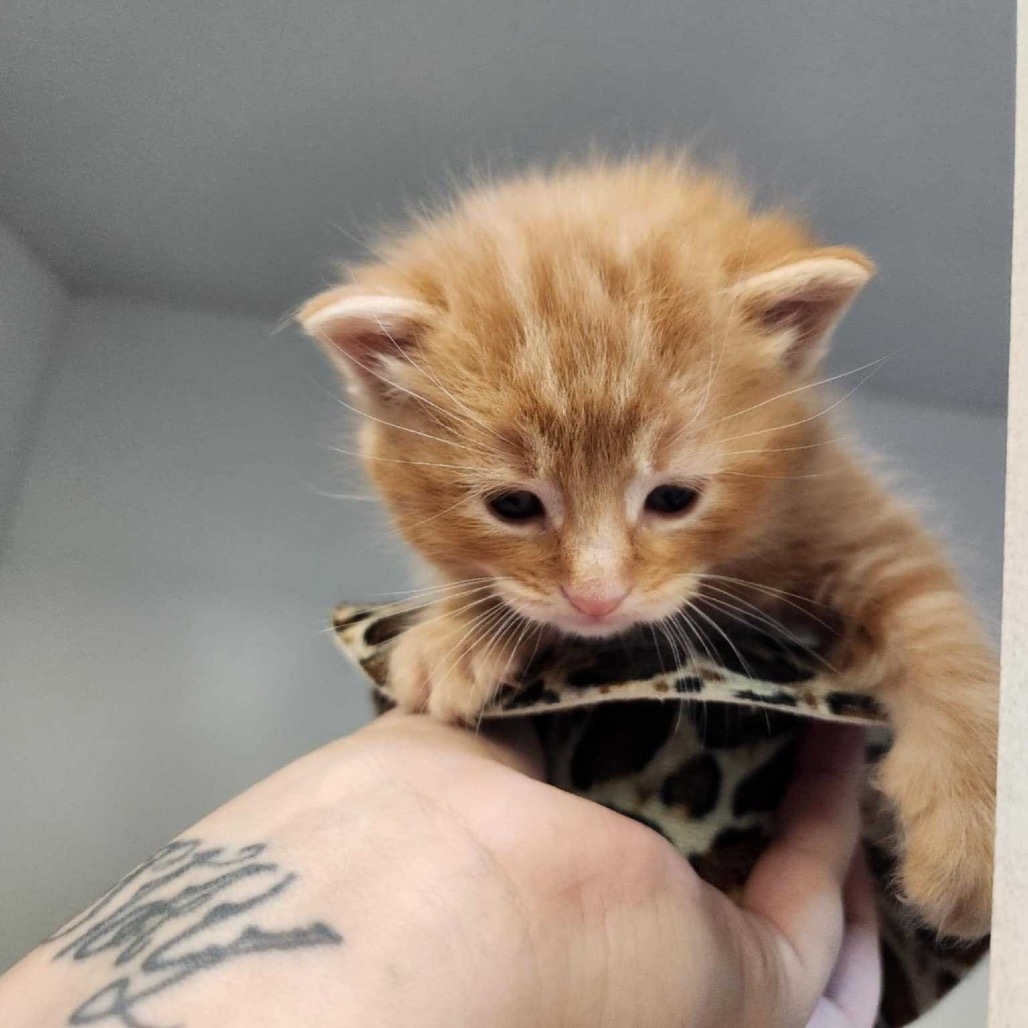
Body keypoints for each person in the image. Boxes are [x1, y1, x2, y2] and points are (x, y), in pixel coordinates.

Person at [0, 712, 879, 1027]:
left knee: (804, 928)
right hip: (391, 766)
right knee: (813, 886)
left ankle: (833, 773)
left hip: (600, 905)